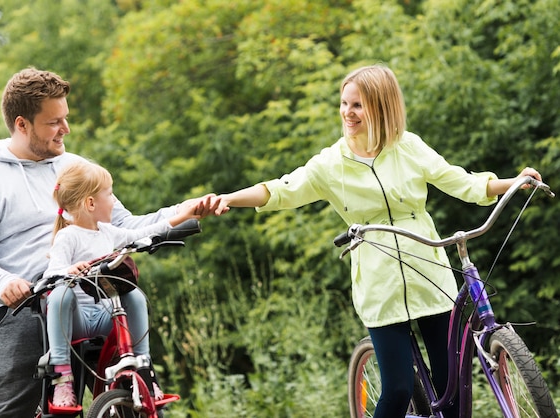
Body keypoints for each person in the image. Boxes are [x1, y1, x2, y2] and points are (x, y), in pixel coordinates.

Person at [213, 64, 542, 418]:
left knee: (454, 390)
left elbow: (461, 182)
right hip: (378, 282)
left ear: (381, 107)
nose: (347, 113)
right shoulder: (331, 163)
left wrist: (512, 182)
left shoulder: (408, 147)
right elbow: (280, 190)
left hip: (428, 272)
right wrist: (229, 198)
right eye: (344, 103)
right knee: (398, 389)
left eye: (358, 105)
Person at [0, 67, 222, 418]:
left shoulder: (76, 169)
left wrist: (181, 212)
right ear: (22, 124)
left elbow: (123, 225)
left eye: (65, 118)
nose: (65, 129)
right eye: (54, 122)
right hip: (22, 308)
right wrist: (3, 282)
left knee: (131, 372)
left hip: (90, 296)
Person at [43, 160, 200, 408]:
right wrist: (68, 270)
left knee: (134, 294)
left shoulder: (109, 232)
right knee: (60, 294)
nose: (114, 201)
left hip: (105, 315)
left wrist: (183, 216)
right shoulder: (67, 236)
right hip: (77, 320)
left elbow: (144, 232)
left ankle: (144, 368)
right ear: (90, 203)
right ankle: (62, 377)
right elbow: (51, 274)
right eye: (109, 194)